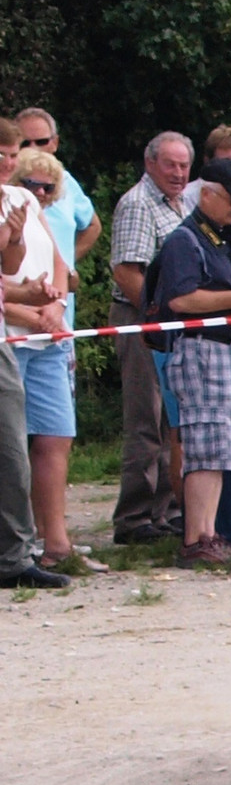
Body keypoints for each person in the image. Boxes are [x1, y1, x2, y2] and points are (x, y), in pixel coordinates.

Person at [153, 160, 231, 566]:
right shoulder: (185, 241)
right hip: (202, 350)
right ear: (207, 194)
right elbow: (180, 299)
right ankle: (196, 538)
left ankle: (210, 533)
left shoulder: (226, 239)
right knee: (206, 443)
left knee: (225, 447)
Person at [4, 146, 104, 572]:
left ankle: (57, 542)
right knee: (11, 446)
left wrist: (57, 309)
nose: (41, 192)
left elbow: (61, 266)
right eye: (33, 184)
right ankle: (17, 545)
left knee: (56, 437)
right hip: (11, 336)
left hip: (49, 338)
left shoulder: (24, 203)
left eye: (49, 187)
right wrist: (29, 312)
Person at [109, 130, 191, 544]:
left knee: (170, 419)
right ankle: (135, 517)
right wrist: (153, 319)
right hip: (142, 320)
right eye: (170, 165)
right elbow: (127, 271)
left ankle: (166, 510)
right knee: (146, 418)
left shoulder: (185, 203)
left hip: (172, 325)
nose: (178, 173)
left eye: (183, 166)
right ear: (150, 164)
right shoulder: (138, 204)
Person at [0, 121, 67, 588]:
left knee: (11, 451)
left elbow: (8, 267)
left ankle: (14, 558)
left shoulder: (18, 199)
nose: (6, 164)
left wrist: (41, 295)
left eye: (10, 155)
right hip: (14, 330)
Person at [15, 107, 101, 266]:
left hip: (60, 289)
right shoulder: (7, 185)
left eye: (41, 142)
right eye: (25, 143)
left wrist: (66, 265)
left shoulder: (66, 181)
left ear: (54, 143)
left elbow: (92, 225)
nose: (33, 148)